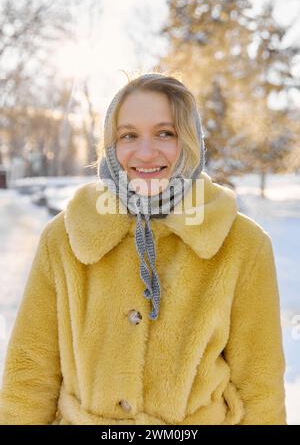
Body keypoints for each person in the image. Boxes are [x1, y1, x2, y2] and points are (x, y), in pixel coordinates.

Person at [0, 73, 287, 425]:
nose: (146, 152)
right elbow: (29, 372)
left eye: (166, 133)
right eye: (129, 136)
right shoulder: (64, 237)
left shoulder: (242, 244)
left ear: (190, 141)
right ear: (111, 147)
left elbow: (260, 388)